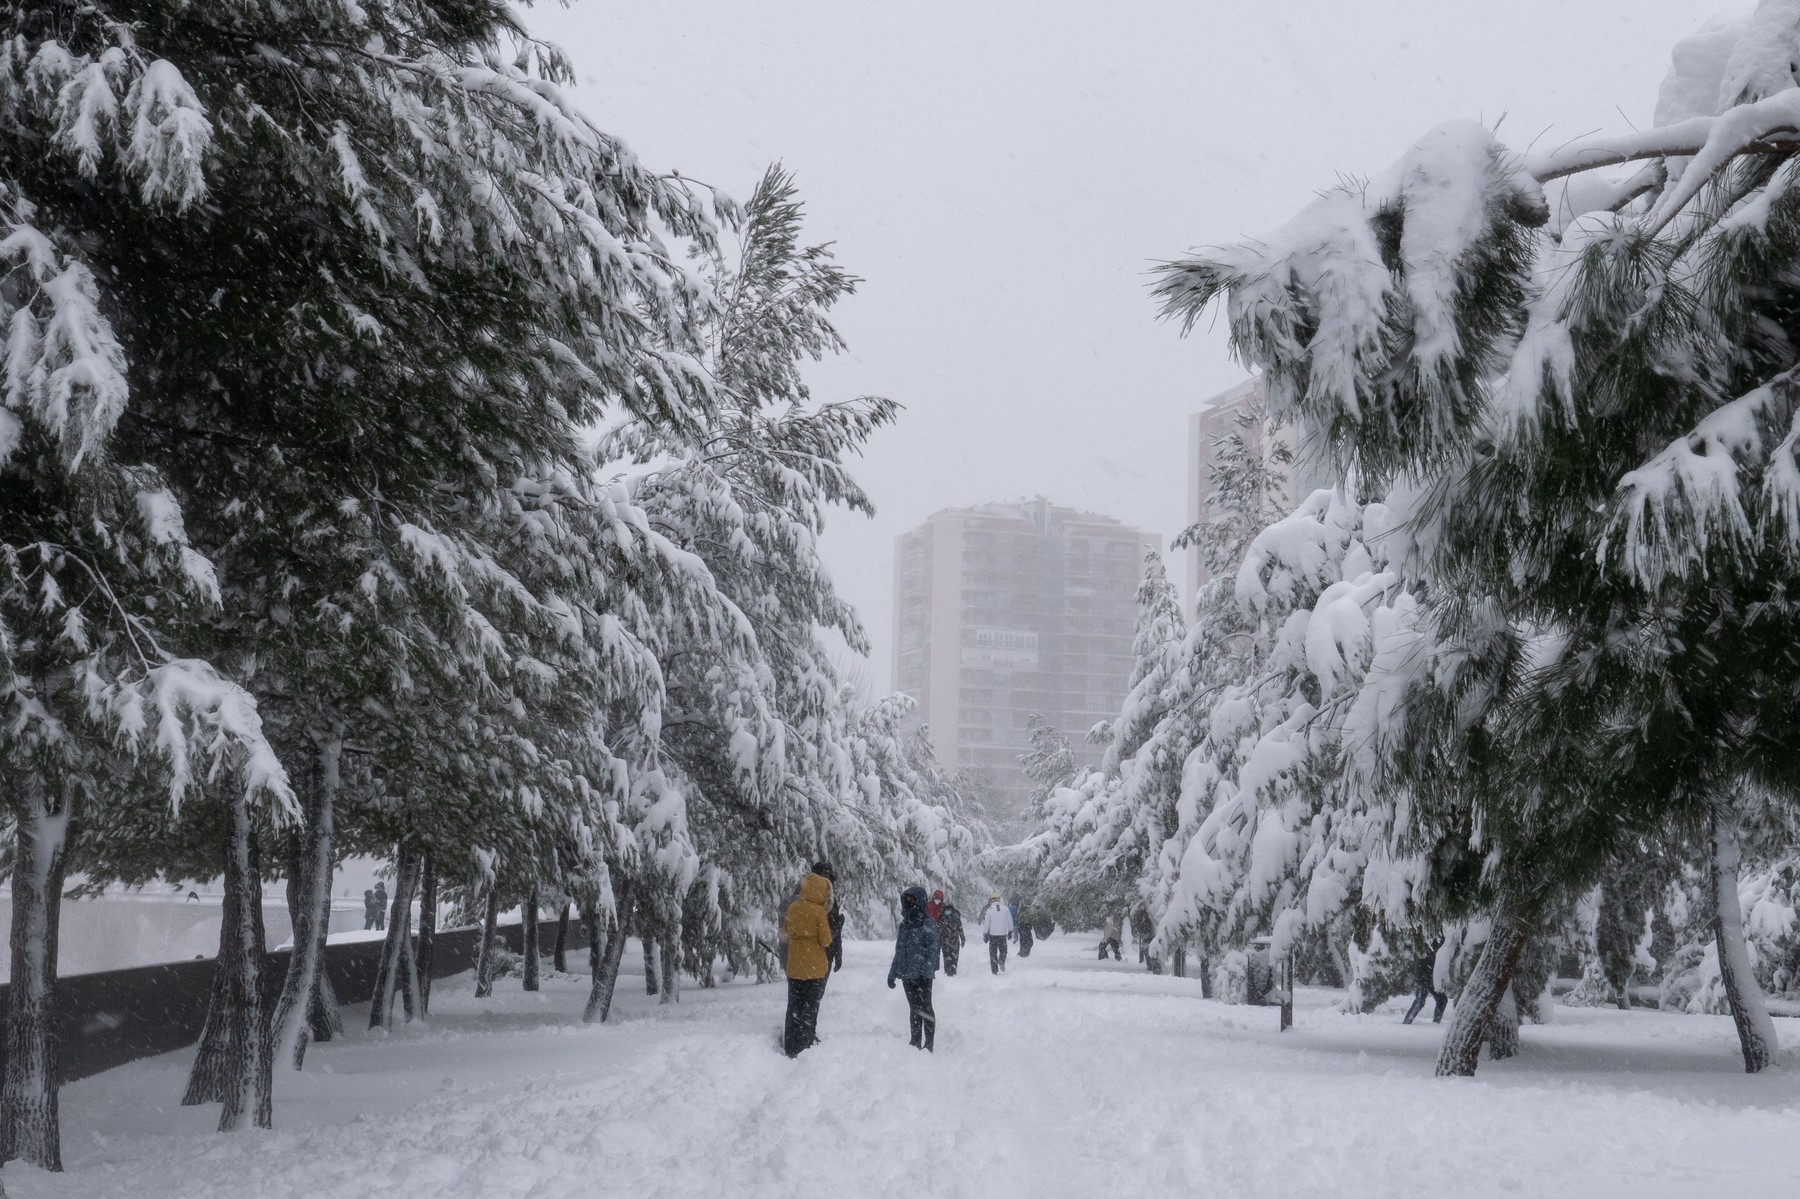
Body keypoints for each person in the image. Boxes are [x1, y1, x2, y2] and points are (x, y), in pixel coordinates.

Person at [781, 869, 834, 1056]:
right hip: (815, 969)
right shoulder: (819, 912)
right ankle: (806, 1043)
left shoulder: (793, 907)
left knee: (794, 1006)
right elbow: (826, 940)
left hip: (795, 966)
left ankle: (791, 1044)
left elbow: (785, 934)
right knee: (810, 1008)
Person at [888, 886, 940, 1051]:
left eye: (913, 900)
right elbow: (899, 950)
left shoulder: (928, 923)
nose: (910, 903)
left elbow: (932, 952)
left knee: (926, 1007)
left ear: (920, 901)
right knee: (914, 1008)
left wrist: (926, 973)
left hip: (922, 976)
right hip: (906, 974)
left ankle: (929, 1044)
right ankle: (915, 1041)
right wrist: (892, 973)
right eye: (907, 900)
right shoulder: (905, 925)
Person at [813, 861, 845, 985]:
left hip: (826, 953)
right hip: (813, 954)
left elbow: (833, 927)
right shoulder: (807, 900)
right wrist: (836, 928)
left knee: (816, 996)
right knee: (814, 995)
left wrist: (838, 953)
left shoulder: (831, 900)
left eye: (829, 878)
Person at [1403, 947, 1447, 1024]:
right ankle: (1406, 1023)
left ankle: (1436, 1024)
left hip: (1433, 977)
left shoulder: (1443, 941)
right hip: (1423, 976)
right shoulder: (1428, 942)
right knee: (1420, 1002)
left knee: (1442, 1000)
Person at [979, 893, 1014, 974]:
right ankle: (1001, 959)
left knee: (993, 952)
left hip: (993, 935)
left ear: (992, 899)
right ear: (999, 899)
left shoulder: (989, 910)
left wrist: (985, 934)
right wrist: (1010, 931)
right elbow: (1010, 920)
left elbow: (987, 923)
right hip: (1002, 935)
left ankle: (994, 970)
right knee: (1003, 950)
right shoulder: (1005, 909)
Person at [939, 899, 965, 975]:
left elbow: (940, 929)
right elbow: (959, 927)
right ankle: (953, 970)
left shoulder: (942, 915)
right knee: (955, 956)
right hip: (954, 940)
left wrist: (939, 939)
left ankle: (947, 971)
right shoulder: (955, 914)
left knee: (946, 956)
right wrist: (963, 938)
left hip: (945, 940)